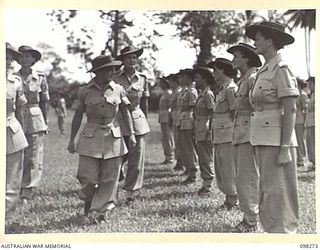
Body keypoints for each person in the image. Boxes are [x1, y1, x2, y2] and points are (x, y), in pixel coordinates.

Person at [67, 55, 136, 223]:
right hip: (90, 136)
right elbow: (77, 116)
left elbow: (125, 112)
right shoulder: (84, 90)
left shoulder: (118, 89)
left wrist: (131, 134)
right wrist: (71, 140)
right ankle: (89, 200)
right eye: (108, 69)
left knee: (110, 177)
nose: (112, 72)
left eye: (113, 69)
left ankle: (101, 211)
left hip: (113, 136)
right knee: (87, 177)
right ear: (98, 72)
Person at [246, 21, 299, 233]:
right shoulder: (263, 70)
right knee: (267, 190)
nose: (255, 43)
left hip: (277, 141)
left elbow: (290, 110)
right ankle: (272, 232)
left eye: (258, 38)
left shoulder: (281, 68)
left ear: (270, 40)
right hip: (261, 137)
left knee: (279, 191)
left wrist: (285, 147)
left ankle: (285, 234)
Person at [227, 43, 262, 232]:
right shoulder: (244, 80)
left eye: (236, 56)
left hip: (249, 133)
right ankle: (249, 216)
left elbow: (256, 107)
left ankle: (251, 220)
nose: (233, 60)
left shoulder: (252, 78)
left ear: (246, 59)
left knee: (248, 176)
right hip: (240, 132)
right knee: (242, 176)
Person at [113, 46, 150, 205]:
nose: (132, 60)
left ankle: (130, 194)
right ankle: (111, 191)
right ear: (122, 60)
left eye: (134, 57)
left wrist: (145, 120)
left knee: (136, 160)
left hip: (137, 120)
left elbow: (145, 102)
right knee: (117, 157)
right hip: (119, 120)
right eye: (128, 58)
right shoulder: (115, 78)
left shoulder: (142, 78)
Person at [15, 45, 50, 203]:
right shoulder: (12, 77)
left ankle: (27, 190)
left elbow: (45, 101)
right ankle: (14, 186)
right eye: (22, 56)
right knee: (16, 155)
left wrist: (46, 121)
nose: (25, 59)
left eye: (28, 56)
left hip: (35, 118)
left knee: (33, 156)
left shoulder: (40, 77)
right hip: (15, 117)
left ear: (34, 59)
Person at [207, 58, 238, 210]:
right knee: (221, 167)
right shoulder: (222, 89)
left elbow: (235, 114)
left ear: (223, 70)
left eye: (215, 70)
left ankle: (233, 200)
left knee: (228, 168)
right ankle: (229, 198)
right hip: (220, 134)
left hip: (228, 134)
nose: (213, 74)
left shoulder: (231, 88)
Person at [5, 43, 29, 222]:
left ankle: (5, 220)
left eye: (8, 57)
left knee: (12, 182)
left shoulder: (15, 82)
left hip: (11, 133)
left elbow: (20, 110)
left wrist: (24, 134)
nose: (5, 60)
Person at [193, 67, 215, 195]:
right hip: (200, 127)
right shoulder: (202, 93)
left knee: (206, 158)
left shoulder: (208, 94)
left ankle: (207, 185)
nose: (195, 81)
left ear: (205, 79)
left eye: (197, 78)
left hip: (206, 128)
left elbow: (212, 113)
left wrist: (211, 131)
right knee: (202, 157)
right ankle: (205, 183)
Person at [176, 69, 199, 184]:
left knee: (189, 147)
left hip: (188, 121)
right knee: (184, 147)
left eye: (184, 76)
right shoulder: (186, 90)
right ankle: (189, 168)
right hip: (183, 120)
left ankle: (193, 171)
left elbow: (194, 108)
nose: (181, 79)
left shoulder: (192, 91)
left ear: (189, 78)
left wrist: (195, 124)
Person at [167, 73, 184, 171]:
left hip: (178, 117)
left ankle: (181, 163)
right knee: (176, 141)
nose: (170, 83)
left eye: (171, 81)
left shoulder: (179, 92)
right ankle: (179, 162)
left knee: (179, 142)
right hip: (174, 117)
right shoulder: (176, 92)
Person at [158, 77, 175, 164]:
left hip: (167, 117)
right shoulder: (165, 93)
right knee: (165, 138)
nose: (160, 84)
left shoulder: (169, 93)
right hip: (163, 117)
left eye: (161, 82)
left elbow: (171, 105)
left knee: (168, 137)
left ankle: (170, 157)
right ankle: (168, 155)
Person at [295, 78, 308, 167]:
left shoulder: (302, 94)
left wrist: (305, 121)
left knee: (300, 139)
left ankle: (302, 158)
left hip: (300, 119)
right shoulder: (296, 94)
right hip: (295, 119)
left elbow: (305, 109)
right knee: (296, 139)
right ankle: (298, 158)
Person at [306, 76, 315, 171]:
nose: (309, 86)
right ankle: (313, 161)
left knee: (314, 142)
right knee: (310, 143)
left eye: (311, 84)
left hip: (314, 121)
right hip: (310, 121)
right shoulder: (311, 95)